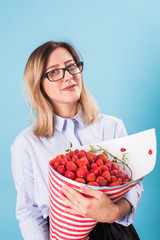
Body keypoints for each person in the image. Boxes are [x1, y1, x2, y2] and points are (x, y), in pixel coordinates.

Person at [11, 41, 143, 240]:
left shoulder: (112, 126)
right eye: (54, 72)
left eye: (71, 66)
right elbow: (29, 212)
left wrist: (114, 212)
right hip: (61, 235)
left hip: (116, 232)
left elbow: (133, 184)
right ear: (40, 85)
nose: (69, 76)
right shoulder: (26, 144)